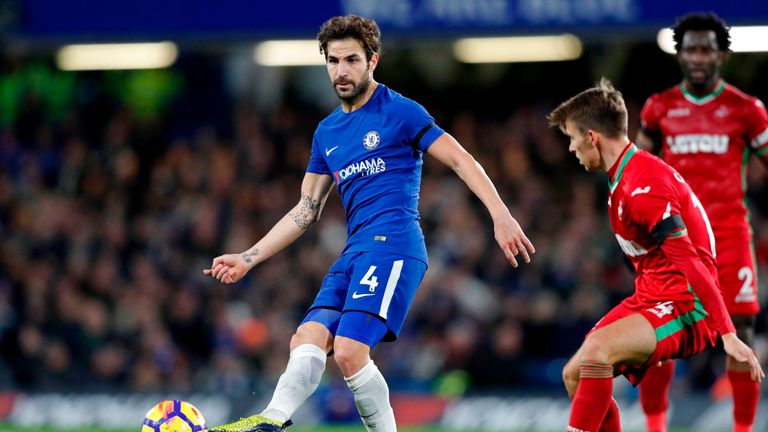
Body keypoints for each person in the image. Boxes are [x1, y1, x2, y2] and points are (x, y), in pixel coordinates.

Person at [203, 15, 535, 432]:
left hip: (394, 246)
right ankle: (269, 422)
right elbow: (305, 210)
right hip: (353, 251)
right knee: (306, 338)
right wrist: (249, 258)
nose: (341, 71)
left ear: (372, 61)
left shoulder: (400, 112)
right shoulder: (327, 132)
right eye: (333, 61)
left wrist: (500, 216)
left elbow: (459, 159)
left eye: (351, 60)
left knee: (348, 350)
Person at [547, 78, 763, 432]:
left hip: (688, 305)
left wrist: (727, 334)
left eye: (571, 138)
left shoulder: (643, 186)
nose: (571, 149)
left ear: (592, 137)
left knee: (598, 350)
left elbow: (691, 260)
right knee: (574, 373)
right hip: (653, 295)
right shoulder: (625, 176)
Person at [636, 12, 768, 432]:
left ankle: (744, 429)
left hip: (730, 238)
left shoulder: (747, 110)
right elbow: (637, 169)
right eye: (689, 49)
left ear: (722, 55)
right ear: (679, 54)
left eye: (705, 49)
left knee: (741, 335)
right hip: (675, 240)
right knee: (658, 337)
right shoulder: (659, 109)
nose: (697, 57)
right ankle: (656, 427)